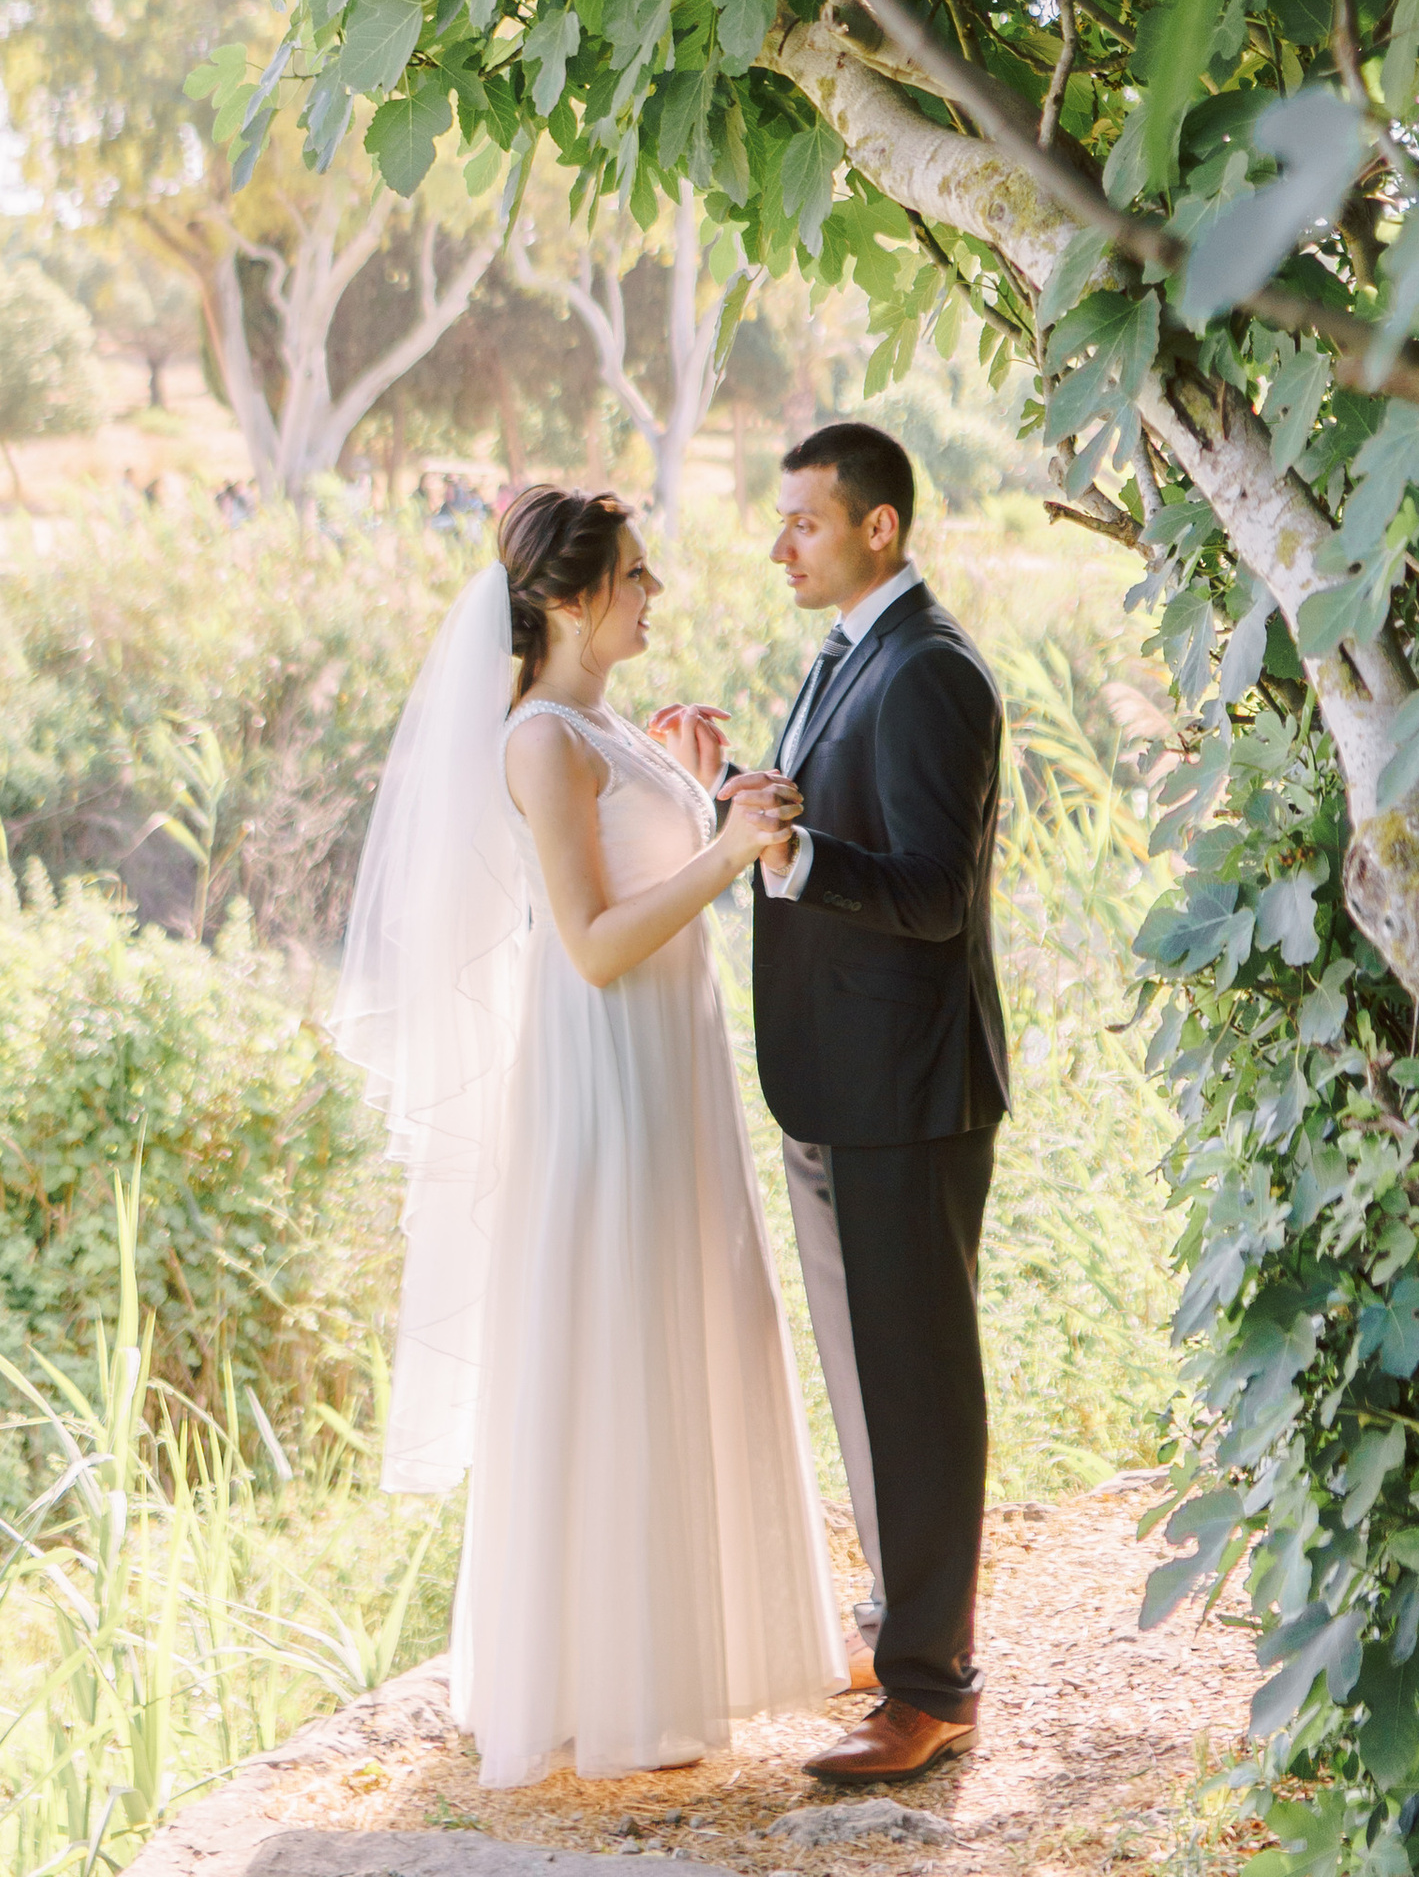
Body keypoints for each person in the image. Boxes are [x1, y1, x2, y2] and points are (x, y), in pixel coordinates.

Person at [333, 484, 845, 1789]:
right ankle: (606, 1683)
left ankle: (678, 1659)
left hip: (670, 1072)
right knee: (621, 1333)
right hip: (606, 1072)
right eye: (633, 573)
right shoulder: (538, 740)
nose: (654, 589)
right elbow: (597, 943)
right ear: (567, 599)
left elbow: (645, 855)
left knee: (679, 1320)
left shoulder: (605, 726)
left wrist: (685, 775)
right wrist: (729, 847)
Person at [693, 423, 1008, 1790]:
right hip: (846, 1080)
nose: (781, 548)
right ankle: (915, 1642)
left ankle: (928, 1693)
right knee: (877, 1387)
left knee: (917, 1390)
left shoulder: (931, 671)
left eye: (804, 524)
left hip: (909, 1091)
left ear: (879, 528)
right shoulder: (851, 654)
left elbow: (937, 892)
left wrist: (799, 853)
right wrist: (737, 797)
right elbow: (829, 833)